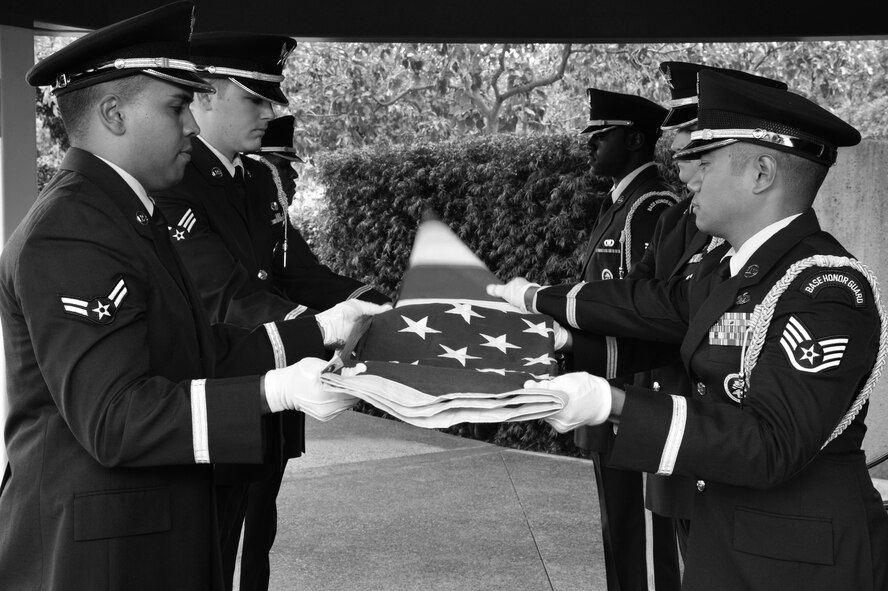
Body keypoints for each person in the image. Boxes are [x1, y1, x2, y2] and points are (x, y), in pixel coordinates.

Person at [0, 4, 386, 589]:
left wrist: (324, 329)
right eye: (177, 106)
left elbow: (192, 349)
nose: (190, 125)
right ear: (113, 114)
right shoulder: (72, 227)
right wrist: (272, 391)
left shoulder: (120, 211)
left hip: (140, 530)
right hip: (101, 553)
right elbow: (115, 419)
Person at [491, 69, 888, 590]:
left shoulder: (824, 289)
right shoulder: (730, 270)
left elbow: (770, 444)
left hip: (800, 561)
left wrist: (615, 404)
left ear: (761, 173)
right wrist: (563, 338)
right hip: (731, 538)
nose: (687, 176)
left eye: (707, 160)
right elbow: (657, 316)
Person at [152, 37, 390, 591]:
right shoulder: (173, 183)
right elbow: (226, 295)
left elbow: (297, 270)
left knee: (254, 536)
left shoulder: (256, 179)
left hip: (271, 386)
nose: (269, 111)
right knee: (205, 552)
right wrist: (328, 328)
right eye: (254, 98)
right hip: (216, 391)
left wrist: (379, 306)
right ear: (204, 96)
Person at [624, 62, 789, 571]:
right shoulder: (682, 220)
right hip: (682, 428)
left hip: (726, 454)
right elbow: (646, 301)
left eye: (695, 145)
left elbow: (772, 438)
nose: (677, 155)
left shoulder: (815, 280)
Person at [574, 87, 679, 591]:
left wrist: (627, 400)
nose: (591, 144)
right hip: (608, 383)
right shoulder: (618, 205)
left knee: (642, 526)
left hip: (633, 391)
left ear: (636, 140)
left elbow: (646, 310)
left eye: (602, 134)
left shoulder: (652, 205)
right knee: (617, 523)